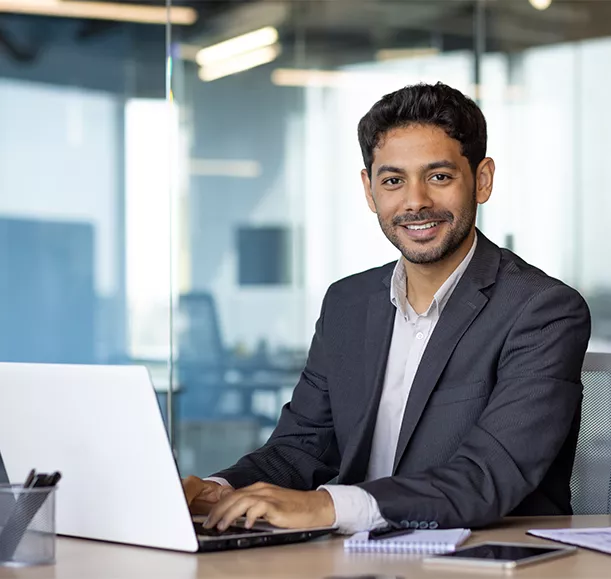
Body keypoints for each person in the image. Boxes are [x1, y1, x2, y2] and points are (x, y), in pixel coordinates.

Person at [183, 82, 591, 535]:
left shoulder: (542, 311)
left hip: (486, 559)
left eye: (439, 176)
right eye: (393, 180)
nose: (415, 201)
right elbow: (300, 448)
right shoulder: (347, 304)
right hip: (356, 556)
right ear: (370, 189)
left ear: (482, 180)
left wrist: (326, 507)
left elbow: (487, 477)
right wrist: (218, 488)